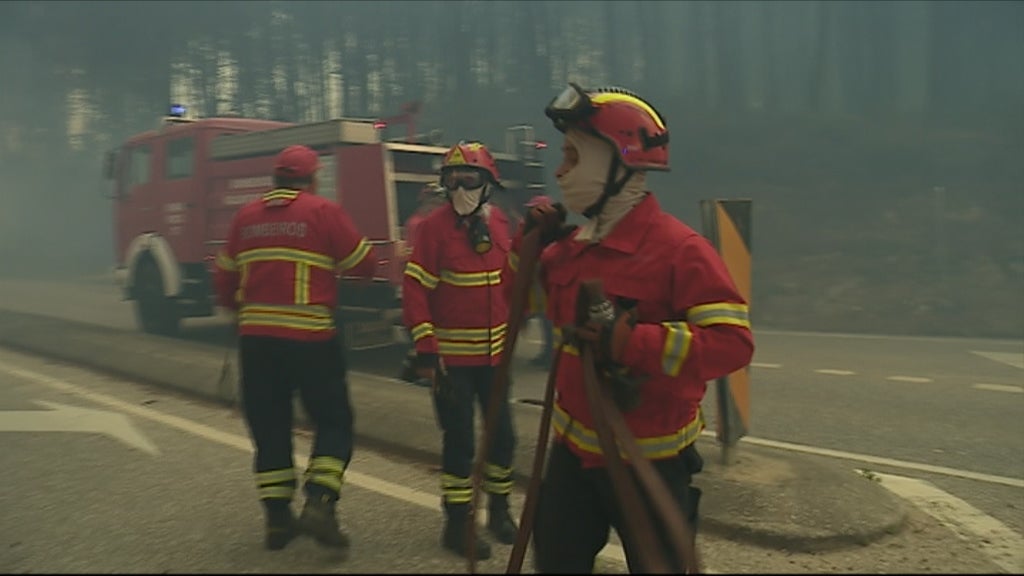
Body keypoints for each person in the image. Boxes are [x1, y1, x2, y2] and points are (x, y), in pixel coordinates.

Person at [506, 83, 755, 573]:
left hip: (651, 464)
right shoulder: (568, 250)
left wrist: (635, 342)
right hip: (572, 456)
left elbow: (732, 345)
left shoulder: (681, 251)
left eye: (573, 157)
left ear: (616, 165)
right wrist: (526, 251)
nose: (560, 171)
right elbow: (518, 308)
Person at [213, 144, 378, 552]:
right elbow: (364, 264)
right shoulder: (323, 211)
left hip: (257, 343)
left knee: (269, 427)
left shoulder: (245, 217)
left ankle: (277, 521)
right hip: (311, 342)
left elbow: (224, 276)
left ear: (275, 178)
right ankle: (320, 501)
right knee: (334, 422)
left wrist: (237, 308)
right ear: (313, 178)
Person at [402, 141, 518, 560]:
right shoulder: (434, 228)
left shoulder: (501, 222)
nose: (459, 188)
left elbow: (512, 280)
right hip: (452, 363)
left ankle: (500, 511)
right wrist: (426, 349)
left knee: (503, 438)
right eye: (451, 180)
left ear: (488, 184)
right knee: (460, 441)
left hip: (495, 360)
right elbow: (415, 289)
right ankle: (457, 524)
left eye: (468, 179)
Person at [399, 183, 448, 385]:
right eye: (437, 201)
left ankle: (418, 368)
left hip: (427, 284)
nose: (440, 206)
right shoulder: (419, 224)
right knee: (424, 332)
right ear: (427, 202)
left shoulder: (421, 222)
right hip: (422, 285)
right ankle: (421, 370)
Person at [523, 194, 556, 368]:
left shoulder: (552, 233)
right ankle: (546, 354)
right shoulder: (531, 231)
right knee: (545, 324)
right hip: (538, 289)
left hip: (549, 290)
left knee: (550, 325)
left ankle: (550, 357)